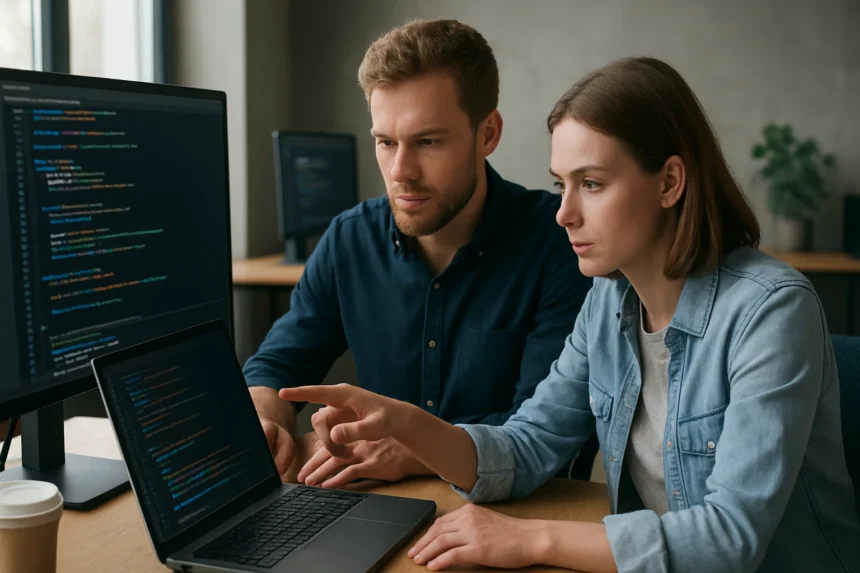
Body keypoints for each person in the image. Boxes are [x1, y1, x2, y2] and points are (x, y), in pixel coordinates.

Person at [280, 57, 860, 572]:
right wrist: (405, 422)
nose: (564, 214)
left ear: (670, 182)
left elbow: (729, 540)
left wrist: (529, 540)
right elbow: (529, 446)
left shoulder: (771, 310)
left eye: (592, 184)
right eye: (561, 185)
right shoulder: (609, 302)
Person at [243, 18, 592, 489]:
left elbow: (546, 427)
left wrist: (412, 445)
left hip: (518, 510)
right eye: (385, 142)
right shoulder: (349, 239)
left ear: (487, 133)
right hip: (379, 501)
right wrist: (267, 418)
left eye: (427, 142)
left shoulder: (561, 243)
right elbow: (276, 366)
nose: (400, 171)